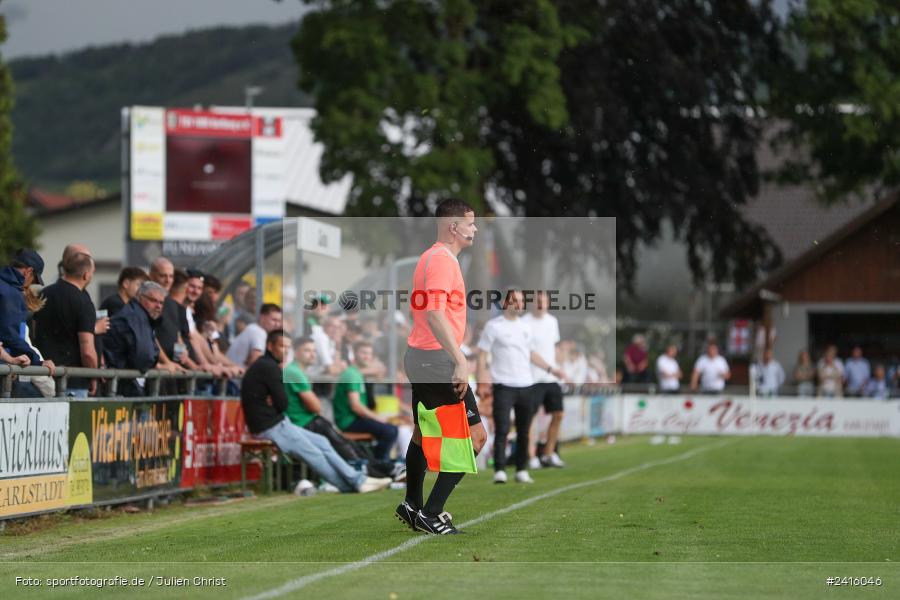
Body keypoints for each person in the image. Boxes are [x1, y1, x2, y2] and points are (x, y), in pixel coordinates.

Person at [398, 198, 487, 535]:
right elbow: (434, 313)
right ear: (454, 227)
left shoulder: (429, 257)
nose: (474, 228)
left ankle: (411, 505)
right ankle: (431, 513)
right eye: (470, 222)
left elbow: (420, 310)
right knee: (475, 438)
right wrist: (460, 359)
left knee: (423, 434)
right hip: (436, 359)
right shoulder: (442, 261)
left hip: (420, 354)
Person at [240, 329, 391, 494]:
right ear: (270, 346)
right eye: (282, 346)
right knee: (315, 453)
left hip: (276, 423)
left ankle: (358, 480)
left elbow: (277, 401)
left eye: (288, 347)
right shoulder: (271, 368)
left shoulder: (267, 366)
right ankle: (352, 484)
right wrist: (273, 403)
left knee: (322, 442)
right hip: (270, 426)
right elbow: (283, 404)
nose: (286, 350)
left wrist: (272, 402)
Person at [284, 337, 404, 480]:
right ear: (296, 352)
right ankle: (383, 469)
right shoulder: (295, 372)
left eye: (314, 351)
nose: (312, 354)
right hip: (323, 422)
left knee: (348, 445)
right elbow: (351, 406)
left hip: (310, 420)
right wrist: (378, 418)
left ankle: (383, 468)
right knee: (383, 432)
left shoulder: (297, 371)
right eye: (307, 350)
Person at [477, 288, 564, 485]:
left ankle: (521, 469)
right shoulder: (494, 326)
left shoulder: (525, 327)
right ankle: (499, 469)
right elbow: (482, 354)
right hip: (503, 385)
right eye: (515, 300)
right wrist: (483, 379)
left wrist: (552, 369)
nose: (519, 304)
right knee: (503, 428)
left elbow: (532, 353)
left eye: (521, 300)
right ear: (506, 303)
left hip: (526, 384)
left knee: (524, 430)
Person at [33, 251, 98, 397]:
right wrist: (93, 375)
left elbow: (34, 332)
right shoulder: (83, 302)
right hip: (74, 382)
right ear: (86, 275)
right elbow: (87, 350)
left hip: (41, 376)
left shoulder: (44, 293)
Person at [521, 290, 566, 469]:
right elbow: (528, 353)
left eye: (544, 301)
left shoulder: (552, 321)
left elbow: (552, 347)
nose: (541, 304)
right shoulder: (524, 322)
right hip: (532, 378)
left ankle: (548, 453)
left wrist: (559, 369)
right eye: (538, 301)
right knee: (531, 418)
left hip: (551, 377)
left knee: (559, 414)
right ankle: (531, 457)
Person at [333, 341, 399, 460]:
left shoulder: (356, 374)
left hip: (356, 419)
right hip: (348, 422)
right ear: (355, 353)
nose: (366, 356)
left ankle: (378, 462)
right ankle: (380, 465)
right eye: (363, 352)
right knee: (390, 431)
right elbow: (355, 406)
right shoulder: (352, 375)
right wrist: (376, 417)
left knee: (391, 427)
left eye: (369, 354)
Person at [103, 281, 168, 396]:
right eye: (153, 300)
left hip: (121, 383)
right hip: (121, 387)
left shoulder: (140, 316)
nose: (158, 306)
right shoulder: (136, 318)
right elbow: (144, 358)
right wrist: (157, 362)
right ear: (140, 297)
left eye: (161, 303)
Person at [0, 250, 56, 381]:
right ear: (28, 271)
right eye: (34, 279)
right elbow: (10, 334)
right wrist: (37, 361)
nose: (31, 284)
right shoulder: (11, 293)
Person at [226, 303, 283, 367]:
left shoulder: (253, 328)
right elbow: (257, 363)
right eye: (274, 320)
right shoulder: (258, 332)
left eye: (279, 321)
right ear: (262, 317)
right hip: (236, 375)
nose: (277, 324)